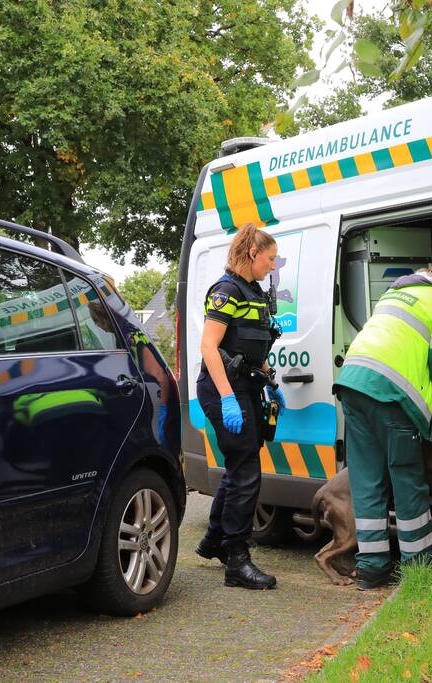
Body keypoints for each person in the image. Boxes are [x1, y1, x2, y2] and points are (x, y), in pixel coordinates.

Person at [333, 254, 432, 590]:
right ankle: (420, 568)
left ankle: (371, 570)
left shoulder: (396, 292)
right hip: (390, 394)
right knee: (407, 479)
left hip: (352, 383)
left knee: (366, 481)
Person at [194, 223, 286, 590]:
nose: (273, 264)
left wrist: (270, 382)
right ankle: (237, 560)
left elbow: (249, 349)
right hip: (222, 390)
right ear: (253, 254)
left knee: (239, 467)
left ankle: (213, 540)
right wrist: (228, 397)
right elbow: (209, 348)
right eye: (270, 257)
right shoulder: (226, 291)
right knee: (247, 470)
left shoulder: (254, 294)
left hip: (246, 386)